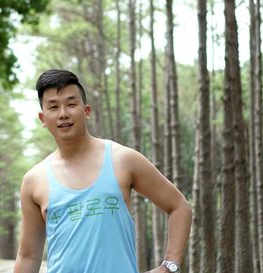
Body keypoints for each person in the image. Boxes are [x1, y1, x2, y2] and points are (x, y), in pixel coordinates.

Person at [14, 69, 192, 273]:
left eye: (71, 104)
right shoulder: (35, 180)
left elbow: (179, 206)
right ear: (43, 118)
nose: (63, 113)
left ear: (86, 111)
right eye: (53, 107)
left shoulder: (123, 159)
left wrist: (169, 265)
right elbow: (28, 256)